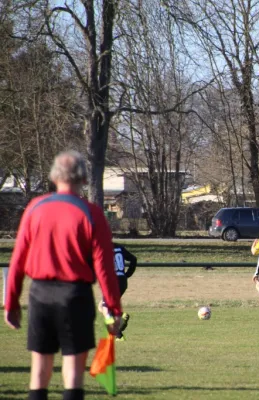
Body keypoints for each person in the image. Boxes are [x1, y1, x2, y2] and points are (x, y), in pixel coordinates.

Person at [4, 151, 122, 400]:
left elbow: (17, 261)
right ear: (83, 178)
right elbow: (104, 266)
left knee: (39, 372)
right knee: (73, 372)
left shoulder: (35, 208)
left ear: (54, 176)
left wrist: (11, 303)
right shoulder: (91, 213)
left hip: (40, 295)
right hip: (75, 296)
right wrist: (113, 308)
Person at [98, 242, 137, 340]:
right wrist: (127, 275)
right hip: (122, 281)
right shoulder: (119, 247)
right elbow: (133, 259)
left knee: (105, 307)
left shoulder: (102, 248)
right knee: (101, 306)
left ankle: (118, 335)